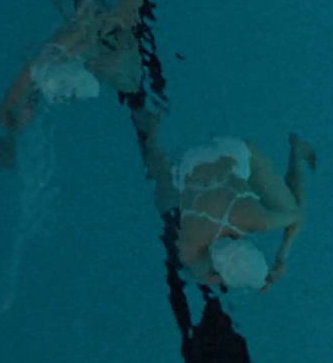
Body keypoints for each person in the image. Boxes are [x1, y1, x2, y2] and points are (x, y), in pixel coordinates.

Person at [0, 0, 142, 169]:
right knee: (7, 139)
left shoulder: (106, 55)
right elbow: (33, 70)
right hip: (57, 65)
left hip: (64, 69)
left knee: (6, 153)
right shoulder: (83, 39)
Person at [135, 112, 316, 292]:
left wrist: (282, 255)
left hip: (227, 152)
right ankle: (151, 134)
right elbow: (205, 276)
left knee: (292, 212)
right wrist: (278, 260)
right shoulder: (190, 252)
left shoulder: (257, 220)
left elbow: (296, 218)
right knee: (165, 197)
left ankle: (295, 148)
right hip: (187, 165)